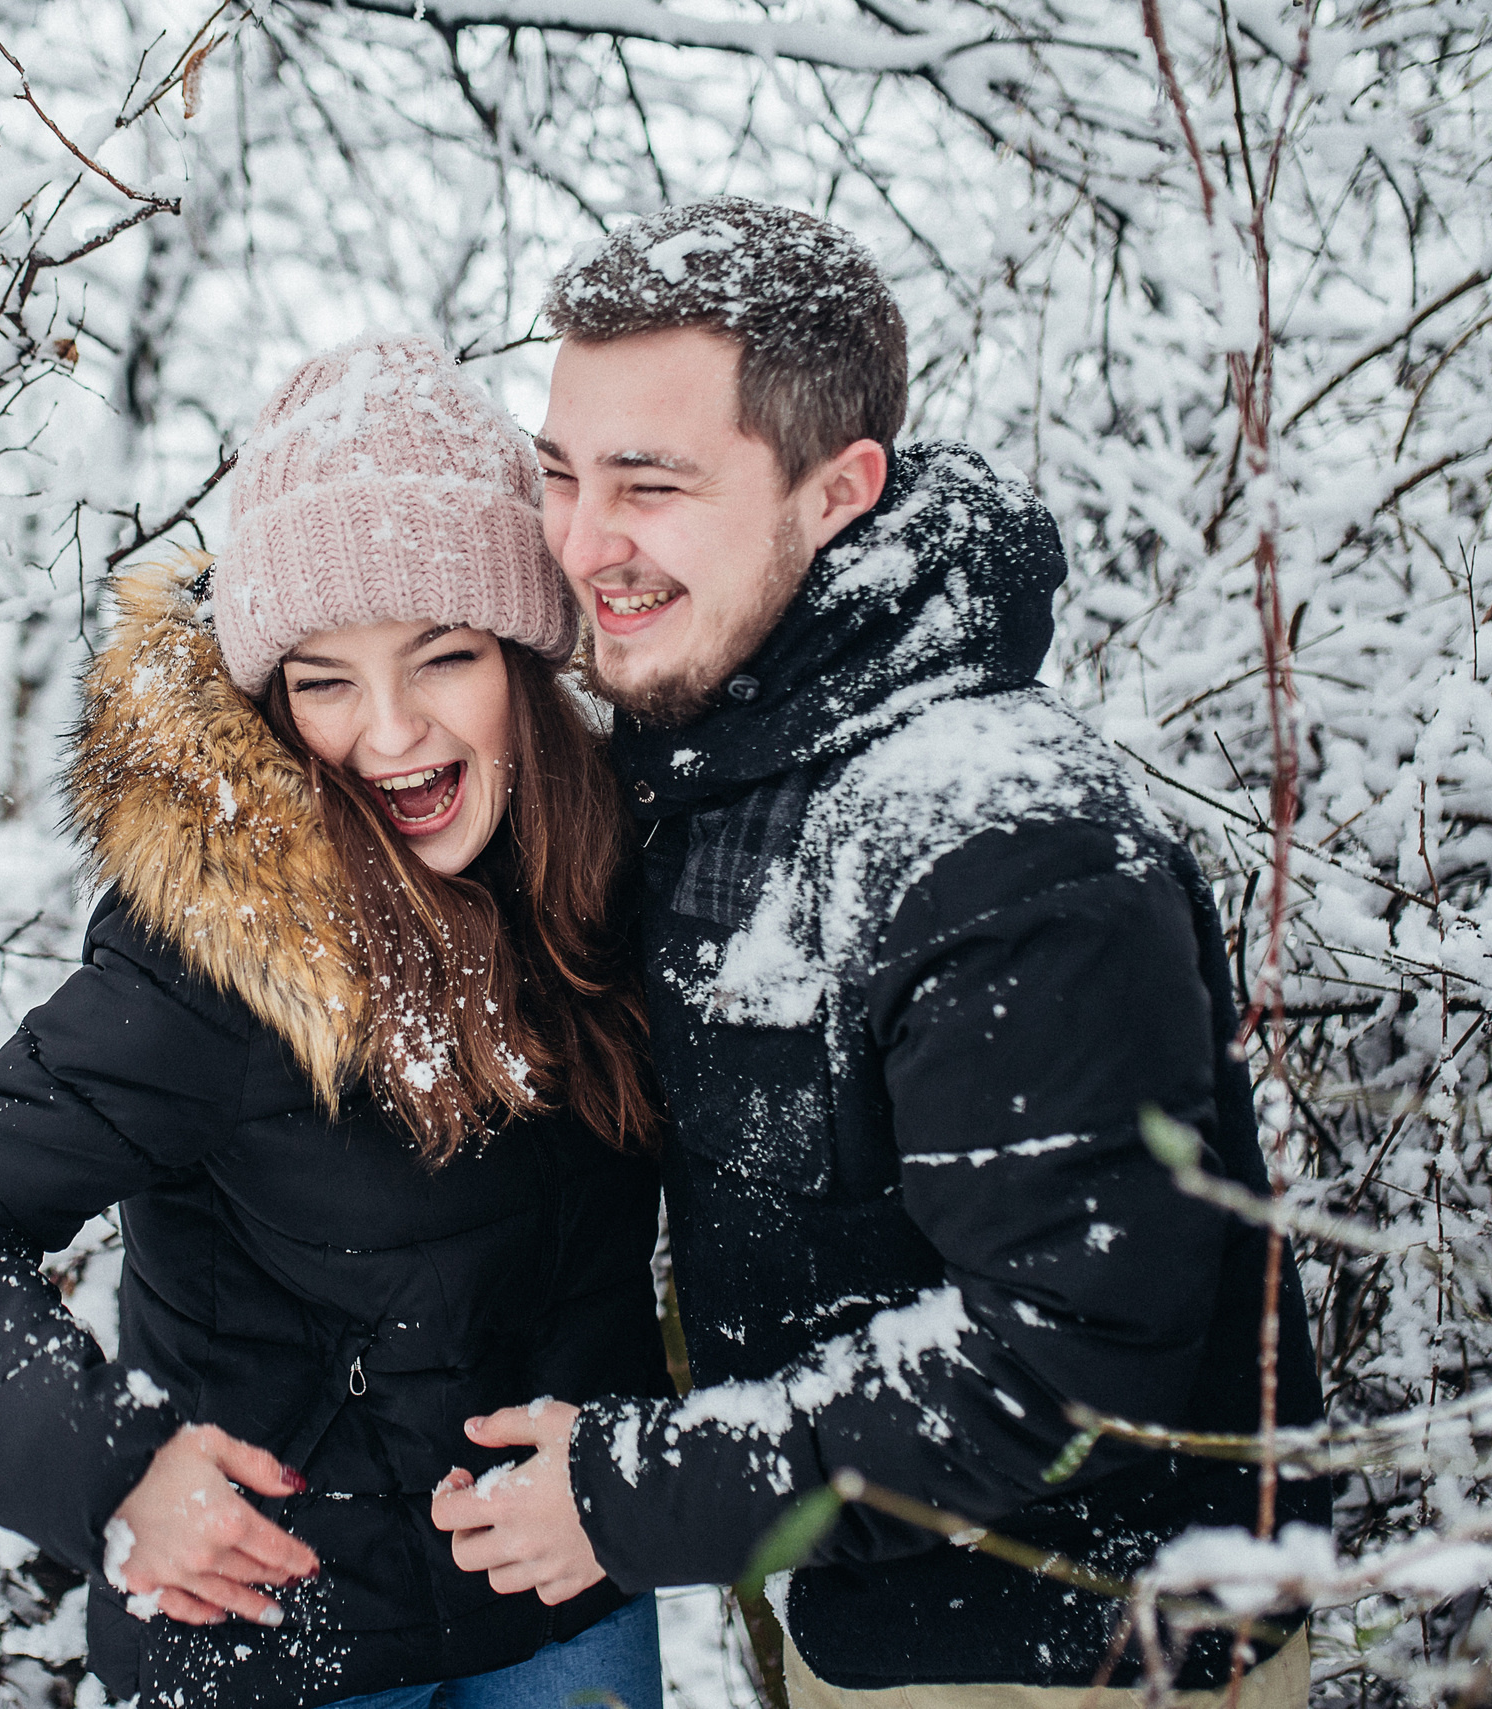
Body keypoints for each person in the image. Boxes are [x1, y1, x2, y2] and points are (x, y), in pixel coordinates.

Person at [428, 198, 1331, 1707]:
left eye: (649, 485)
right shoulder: (720, 762)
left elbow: (1072, 1365)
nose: (581, 545)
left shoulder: (1006, 842)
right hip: (876, 1619)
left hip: (1089, 1654)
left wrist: (632, 1491)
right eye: (561, 473)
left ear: (840, 490)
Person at [0, 334, 673, 1709]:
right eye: (325, 678)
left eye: (443, 654)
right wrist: (116, 1470)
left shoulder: (608, 894)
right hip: (283, 1637)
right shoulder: (216, 958)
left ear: (525, 659)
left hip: (559, 1607)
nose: (391, 732)